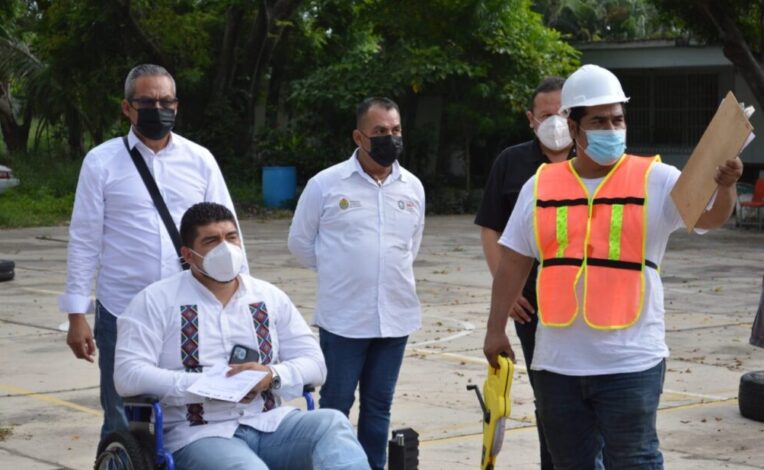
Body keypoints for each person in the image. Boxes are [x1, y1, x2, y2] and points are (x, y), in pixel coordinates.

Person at [483, 64, 743, 469]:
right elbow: (514, 260)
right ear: (573, 127)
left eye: (618, 119)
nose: (612, 129)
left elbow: (708, 218)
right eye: (599, 120)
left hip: (631, 363)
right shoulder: (541, 184)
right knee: (571, 463)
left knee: (634, 461)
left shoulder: (656, 179)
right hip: (557, 365)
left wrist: (724, 187)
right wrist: (494, 328)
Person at [58, 64, 247, 441]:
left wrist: (242, 295)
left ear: (176, 106)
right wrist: (76, 314)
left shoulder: (200, 160)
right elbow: (84, 240)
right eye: (147, 101)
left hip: (191, 308)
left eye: (165, 101)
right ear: (128, 108)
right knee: (121, 416)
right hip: (124, 310)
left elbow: (230, 233)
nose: (157, 108)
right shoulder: (101, 162)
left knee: (193, 414)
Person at [113, 202, 368, 469]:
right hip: (199, 434)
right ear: (188, 255)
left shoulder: (269, 296)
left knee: (332, 423)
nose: (226, 248)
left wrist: (270, 375)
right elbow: (128, 375)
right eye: (211, 241)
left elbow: (316, 365)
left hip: (271, 422)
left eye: (231, 237)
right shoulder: (155, 301)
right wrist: (205, 386)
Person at [287, 97, 425, 469]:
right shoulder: (326, 184)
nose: (389, 138)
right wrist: (340, 271)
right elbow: (300, 243)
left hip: (395, 319)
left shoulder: (412, 187)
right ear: (358, 136)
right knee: (335, 406)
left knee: (379, 408)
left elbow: (410, 246)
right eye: (380, 131)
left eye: (395, 131)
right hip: (344, 319)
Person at [475, 76, 571, 470]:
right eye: (547, 114)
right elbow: (491, 229)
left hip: (589, 305)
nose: (556, 122)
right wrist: (508, 292)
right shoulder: (512, 163)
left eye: (564, 113)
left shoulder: (598, 162)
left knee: (590, 400)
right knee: (548, 398)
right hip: (531, 306)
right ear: (531, 119)